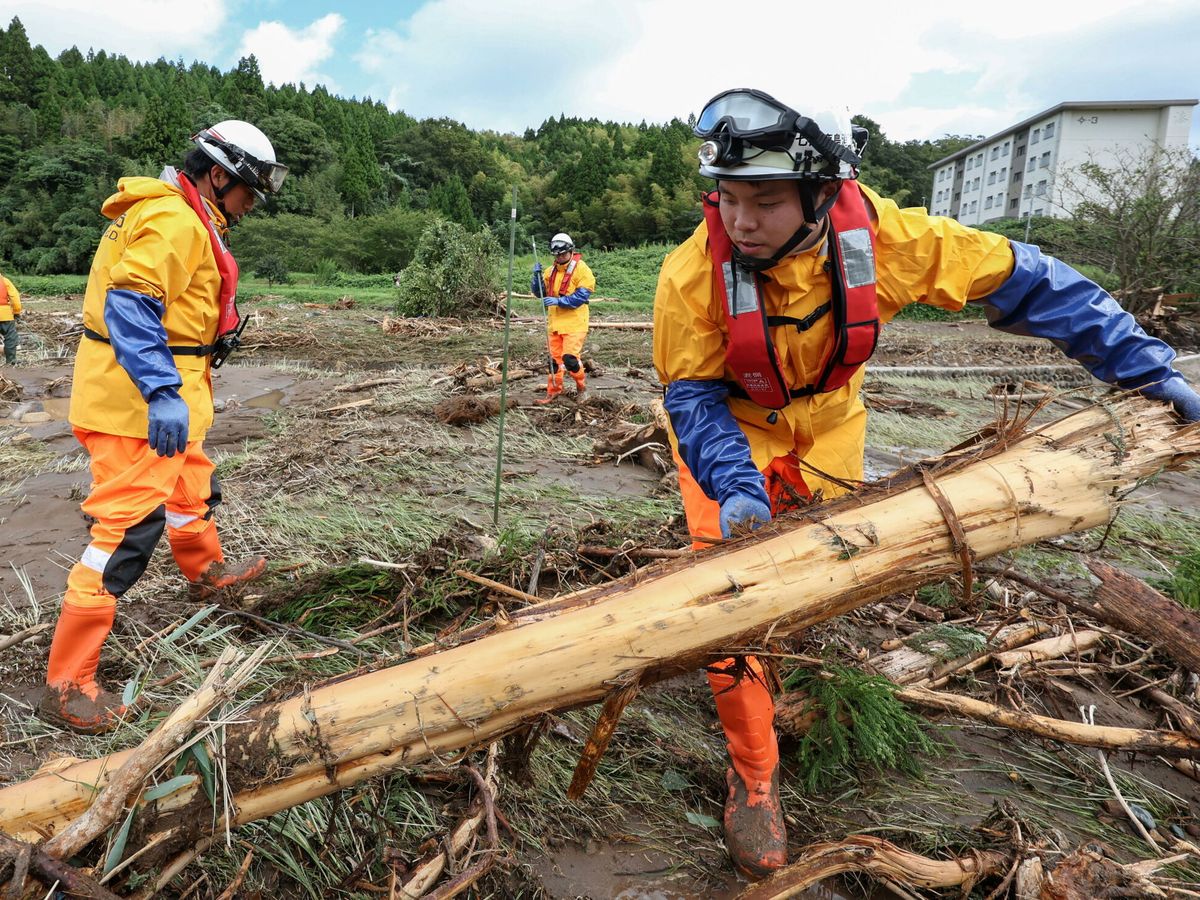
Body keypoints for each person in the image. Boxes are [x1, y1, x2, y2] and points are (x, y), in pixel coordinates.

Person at [653, 87, 1200, 878]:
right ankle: (755, 772)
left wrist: (1144, 366)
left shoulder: (885, 240)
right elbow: (691, 396)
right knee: (729, 598)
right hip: (727, 430)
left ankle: (790, 664)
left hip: (830, 423)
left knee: (817, 570)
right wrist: (734, 483)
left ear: (821, 193)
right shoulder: (690, 275)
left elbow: (1031, 280)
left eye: (764, 201)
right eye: (728, 198)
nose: (740, 221)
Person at [39, 120, 287, 734]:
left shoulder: (180, 214)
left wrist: (176, 394)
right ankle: (69, 682)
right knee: (125, 532)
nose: (248, 208)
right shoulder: (175, 221)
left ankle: (205, 571)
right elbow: (130, 304)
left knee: (190, 491)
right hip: (137, 407)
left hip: (168, 401)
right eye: (246, 194)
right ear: (219, 176)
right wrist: (160, 391)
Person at [531, 232, 595, 401]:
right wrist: (535, 278)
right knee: (554, 362)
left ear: (571, 251)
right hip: (554, 324)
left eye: (563, 254)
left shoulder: (582, 269)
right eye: (557, 255)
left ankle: (582, 388)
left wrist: (559, 301)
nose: (559, 257)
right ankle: (553, 392)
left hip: (575, 323)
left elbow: (582, 296)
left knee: (570, 360)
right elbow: (540, 293)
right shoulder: (549, 271)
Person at [0, 269, 21, 365]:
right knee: (10, 338)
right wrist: (16, 312)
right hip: (5, 315)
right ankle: (11, 361)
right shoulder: (5, 281)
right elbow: (15, 297)